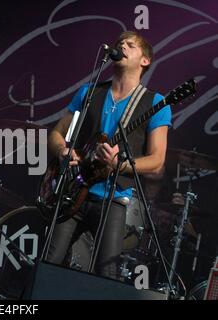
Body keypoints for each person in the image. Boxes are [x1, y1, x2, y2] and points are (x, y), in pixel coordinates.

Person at [46, 31, 172, 280]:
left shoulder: (156, 102)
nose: (121, 46)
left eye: (130, 45)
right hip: (73, 191)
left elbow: (157, 160)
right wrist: (63, 150)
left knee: (107, 274)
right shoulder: (89, 92)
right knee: (49, 262)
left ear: (145, 60)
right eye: (119, 43)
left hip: (113, 198)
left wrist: (119, 164)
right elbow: (56, 134)